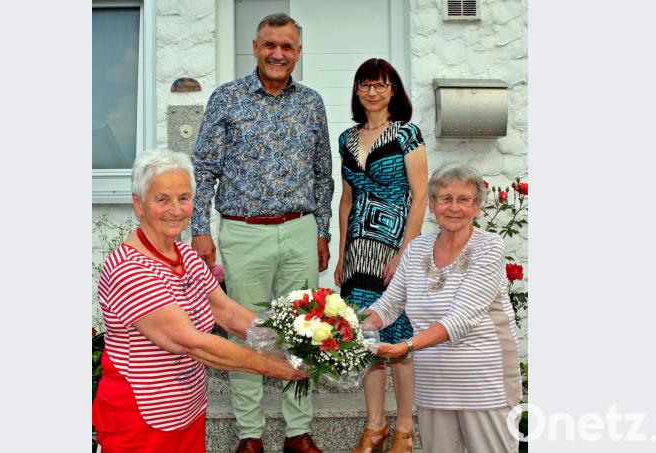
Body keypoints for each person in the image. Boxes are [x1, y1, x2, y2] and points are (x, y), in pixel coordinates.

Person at [92, 148, 307, 453]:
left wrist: (294, 344)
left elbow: (229, 313)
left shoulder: (185, 255)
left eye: (183, 198)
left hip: (187, 413)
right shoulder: (130, 269)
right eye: (162, 199)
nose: (175, 209)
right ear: (139, 205)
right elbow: (192, 343)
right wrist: (276, 367)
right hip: (141, 421)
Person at [190, 12, 333, 453]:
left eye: (286, 46)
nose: (277, 53)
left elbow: (323, 174)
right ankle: (249, 434)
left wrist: (322, 231)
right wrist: (199, 228)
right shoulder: (227, 99)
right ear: (255, 48)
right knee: (246, 332)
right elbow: (204, 169)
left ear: (298, 52)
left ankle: (297, 431)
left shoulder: (311, 103)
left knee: (305, 331)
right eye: (270, 45)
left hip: (300, 229)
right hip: (243, 232)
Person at [363, 162, 523, 453]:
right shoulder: (416, 249)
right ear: (432, 204)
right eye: (446, 198)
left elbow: (460, 319)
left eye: (464, 199)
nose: (454, 207)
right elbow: (388, 305)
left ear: (477, 207)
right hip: (433, 386)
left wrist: (404, 347)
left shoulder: (490, 247)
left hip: (486, 386)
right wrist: (344, 325)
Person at [332, 58, 428, 453]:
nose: (372, 92)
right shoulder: (346, 139)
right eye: (365, 85)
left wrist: (406, 252)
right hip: (358, 251)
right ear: (357, 90)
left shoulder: (407, 133)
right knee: (365, 337)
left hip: (394, 246)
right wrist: (342, 254)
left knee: (399, 337)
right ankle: (375, 425)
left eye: (380, 85)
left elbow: (420, 197)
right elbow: (347, 198)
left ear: (393, 91)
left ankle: (404, 428)